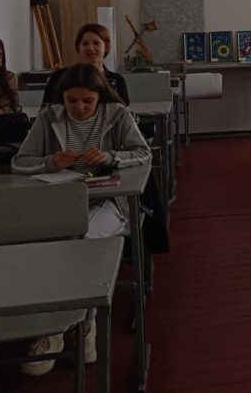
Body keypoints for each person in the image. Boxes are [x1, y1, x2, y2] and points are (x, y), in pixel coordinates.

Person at [12, 63, 151, 375]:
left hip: (107, 202)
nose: (79, 108)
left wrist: (111, 157)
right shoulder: (49, 117)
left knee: (80, 242)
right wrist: (51, 161)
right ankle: (66, 325)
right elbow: (19, 162)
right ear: (62, 97)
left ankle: (72, 325)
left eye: (88, 101)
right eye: (72, 100)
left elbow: (144, 154)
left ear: (99, 96)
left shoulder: (117, 114)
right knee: (55, 247)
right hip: (59, 203)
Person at [41, 23, 130, 106]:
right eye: (85, 44)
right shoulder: (59, 77)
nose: (90, 48)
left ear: (106, 47)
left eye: (96, 43)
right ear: (78, 48)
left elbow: (123, 114)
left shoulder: (117, 81)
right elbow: (45, 112)